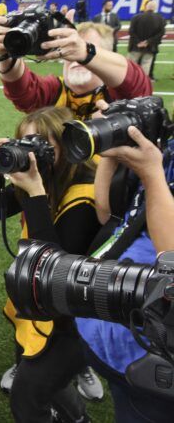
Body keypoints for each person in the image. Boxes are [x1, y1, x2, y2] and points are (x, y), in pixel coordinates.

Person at [0, 106, 101, 422]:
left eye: (40, 142)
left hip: (73, 315)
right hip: (36, 304)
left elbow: (54, 268)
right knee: (44, 381)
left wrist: (34, 192)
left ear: (66, 143)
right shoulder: (43, 175)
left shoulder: (85, 191)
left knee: (27, 397)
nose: (30, 150)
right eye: (25, 141)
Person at [76, 119, 174, 422]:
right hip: (117, 331)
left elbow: (170, 260)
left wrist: (152, 175)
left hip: (154, 355)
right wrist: (110, 155)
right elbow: (108, 213)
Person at [0, 15, 152, 119]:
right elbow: (22, 92)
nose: (76, 59)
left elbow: (137, 85)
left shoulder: (116, 93)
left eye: (80, 49)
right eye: (68, 50)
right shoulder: (55, 89)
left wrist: (85, 52)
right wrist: (7, 50)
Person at [128, 1, 166, 78]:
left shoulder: (136, 17)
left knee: (131, 68)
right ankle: (142, 86)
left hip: (135, 46)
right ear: (155, 8)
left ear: (146, 6)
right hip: (150, 47)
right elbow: (161, 33)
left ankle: (129, 84)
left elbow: (131, 31)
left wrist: (139, 42)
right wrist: (148, 42)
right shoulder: (160, 19)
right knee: (145, 68)